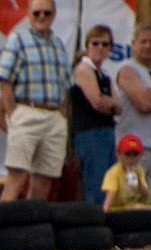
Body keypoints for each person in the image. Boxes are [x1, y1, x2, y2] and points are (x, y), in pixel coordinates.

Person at [0, 0, 72, 202]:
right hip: (27, 110)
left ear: (54, 15)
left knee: (44, 182)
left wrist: (62, 114)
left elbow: (65, 84)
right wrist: (13, 113)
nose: (41, 16)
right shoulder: (17, 39)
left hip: (54, 115)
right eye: (37, 12)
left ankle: (33, 231)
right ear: (28, 14)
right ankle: (2, 228)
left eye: (46, 12)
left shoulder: (58, 44)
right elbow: (5, 79)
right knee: (17, 179)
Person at [71, 26, 121, 205]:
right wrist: (111, 104)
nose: (100, 47)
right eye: (95, 43)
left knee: (111, 183)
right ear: (87, 45)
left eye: (104, 44)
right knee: (97, 186)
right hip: (90, 132)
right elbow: (98, 103)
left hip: (106, 131)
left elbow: (118, 107)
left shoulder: (105, 74)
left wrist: (111, 104)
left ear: (110, 48)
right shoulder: (84, 69)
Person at [115, 23, 151, 177]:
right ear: (133, 44)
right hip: (132, 148)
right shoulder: (127, 69)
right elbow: (144, 104)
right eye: (143, 41)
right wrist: (145, 95)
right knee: (133, 196)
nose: (148, 46)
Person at [102, 134, 149, 211]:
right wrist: (104, 213)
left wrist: (139, 181)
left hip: (133, 205)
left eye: (135, 155)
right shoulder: (114, 172)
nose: (131, 159)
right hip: (116, 209)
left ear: (140, 156)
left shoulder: (139, 170)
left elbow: (145, 194)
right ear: (119, 154)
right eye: (127, 155)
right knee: (138, 208)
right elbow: (111, 194)